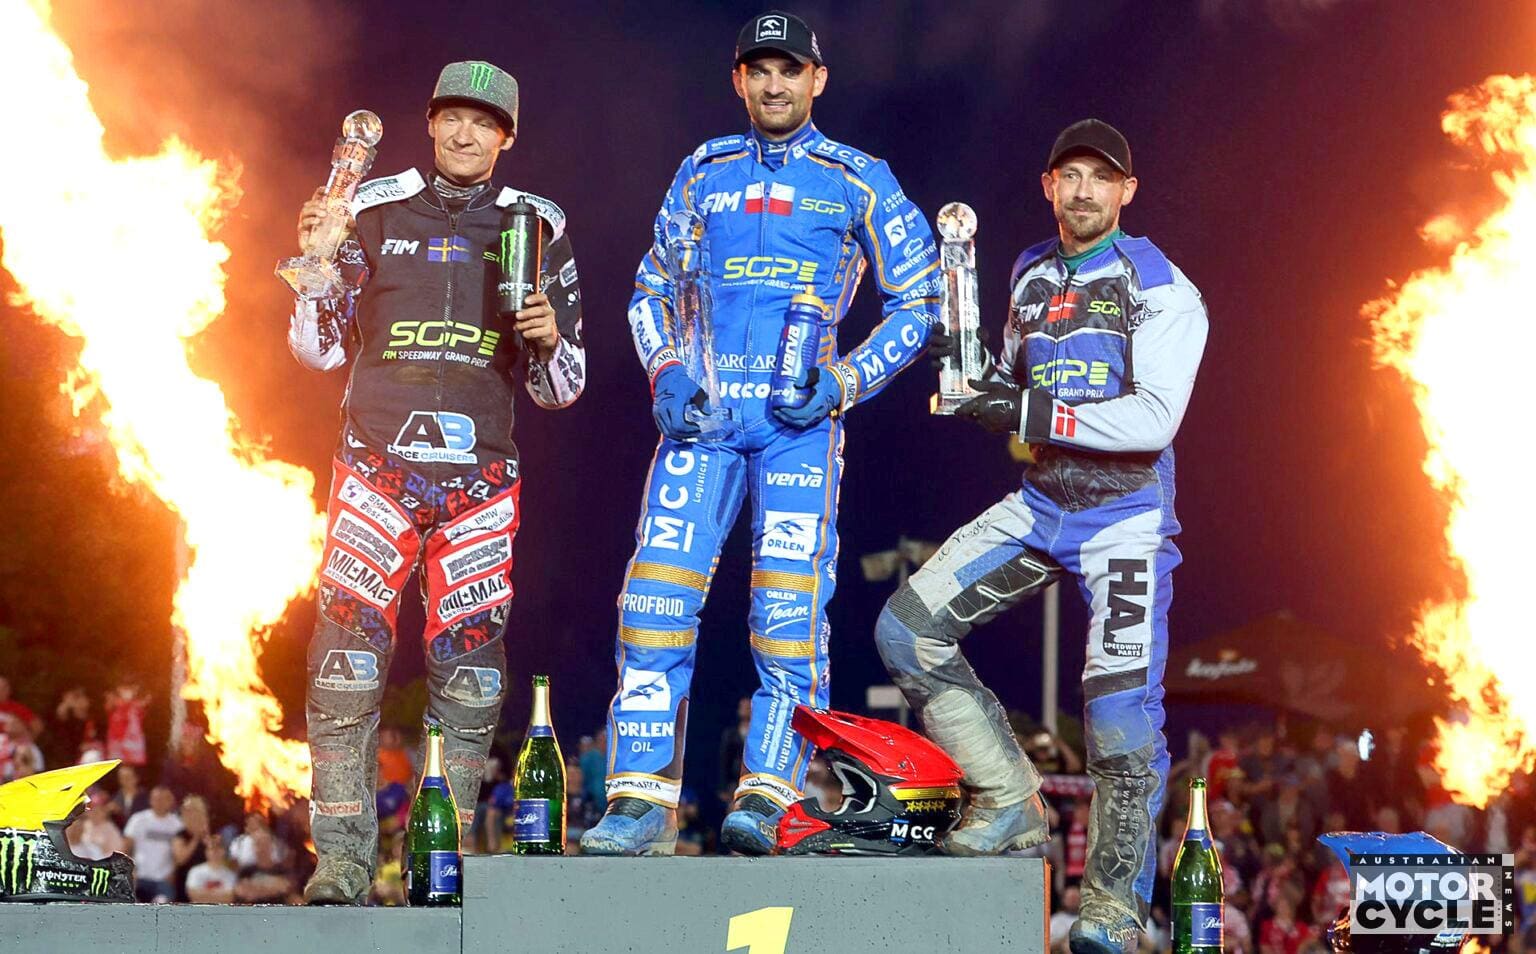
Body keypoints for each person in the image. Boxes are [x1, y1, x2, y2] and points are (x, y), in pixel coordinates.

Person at [582, 10, 940, 857]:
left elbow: (923, 299)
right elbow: (649, 288)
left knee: (787, 617)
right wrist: (667, 372)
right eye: (760, 70)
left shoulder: (858, 177)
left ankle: (768, 796)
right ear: (739, 80)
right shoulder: (702, 170)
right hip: (702, 424)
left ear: (818, 80)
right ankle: (638, 801)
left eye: (791, 70)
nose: (775, 85)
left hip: (795, 431)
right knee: (654, 604)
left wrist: (845, 381)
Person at [873, 118, 1208, 954]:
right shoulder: (1027, 271)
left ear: (1128, 191)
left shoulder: (1162, 285)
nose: (1085, 190)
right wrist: (966, 371)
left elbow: (1153, 419)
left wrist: (1021, 409)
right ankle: (1005, 800)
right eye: (1071, 175)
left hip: (1125, 516)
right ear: (1048, 186)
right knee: (906, 631)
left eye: (1102, 177)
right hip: (1040, 500)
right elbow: (1011, 388)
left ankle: (1114, 910)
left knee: (1119, 718)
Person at [286, 59, 585, 903]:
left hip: (479, 481)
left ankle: (436, 868)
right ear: (428, 122)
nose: (465, 133)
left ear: (506, 137)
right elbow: (317, 351)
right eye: (452, 115)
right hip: (375, 469)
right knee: (344, 665)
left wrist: (549, 340)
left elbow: (563, 389)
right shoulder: (372, 208)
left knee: (472, 677)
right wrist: (314, 269)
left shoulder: (538, 223)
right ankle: (341, 866)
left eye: (484, 122)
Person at [123, 785, 184, 903]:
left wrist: (173, 873)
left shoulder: (177, 824)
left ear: (170, 801)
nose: (159, 802)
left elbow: (179, 855)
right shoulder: (138, 820)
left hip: (163, 880)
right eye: (156, 799)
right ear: (150, 800)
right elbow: (125, 848)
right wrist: (130, 872)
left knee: (162, 905)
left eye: (163, 799)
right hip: (139, 877)